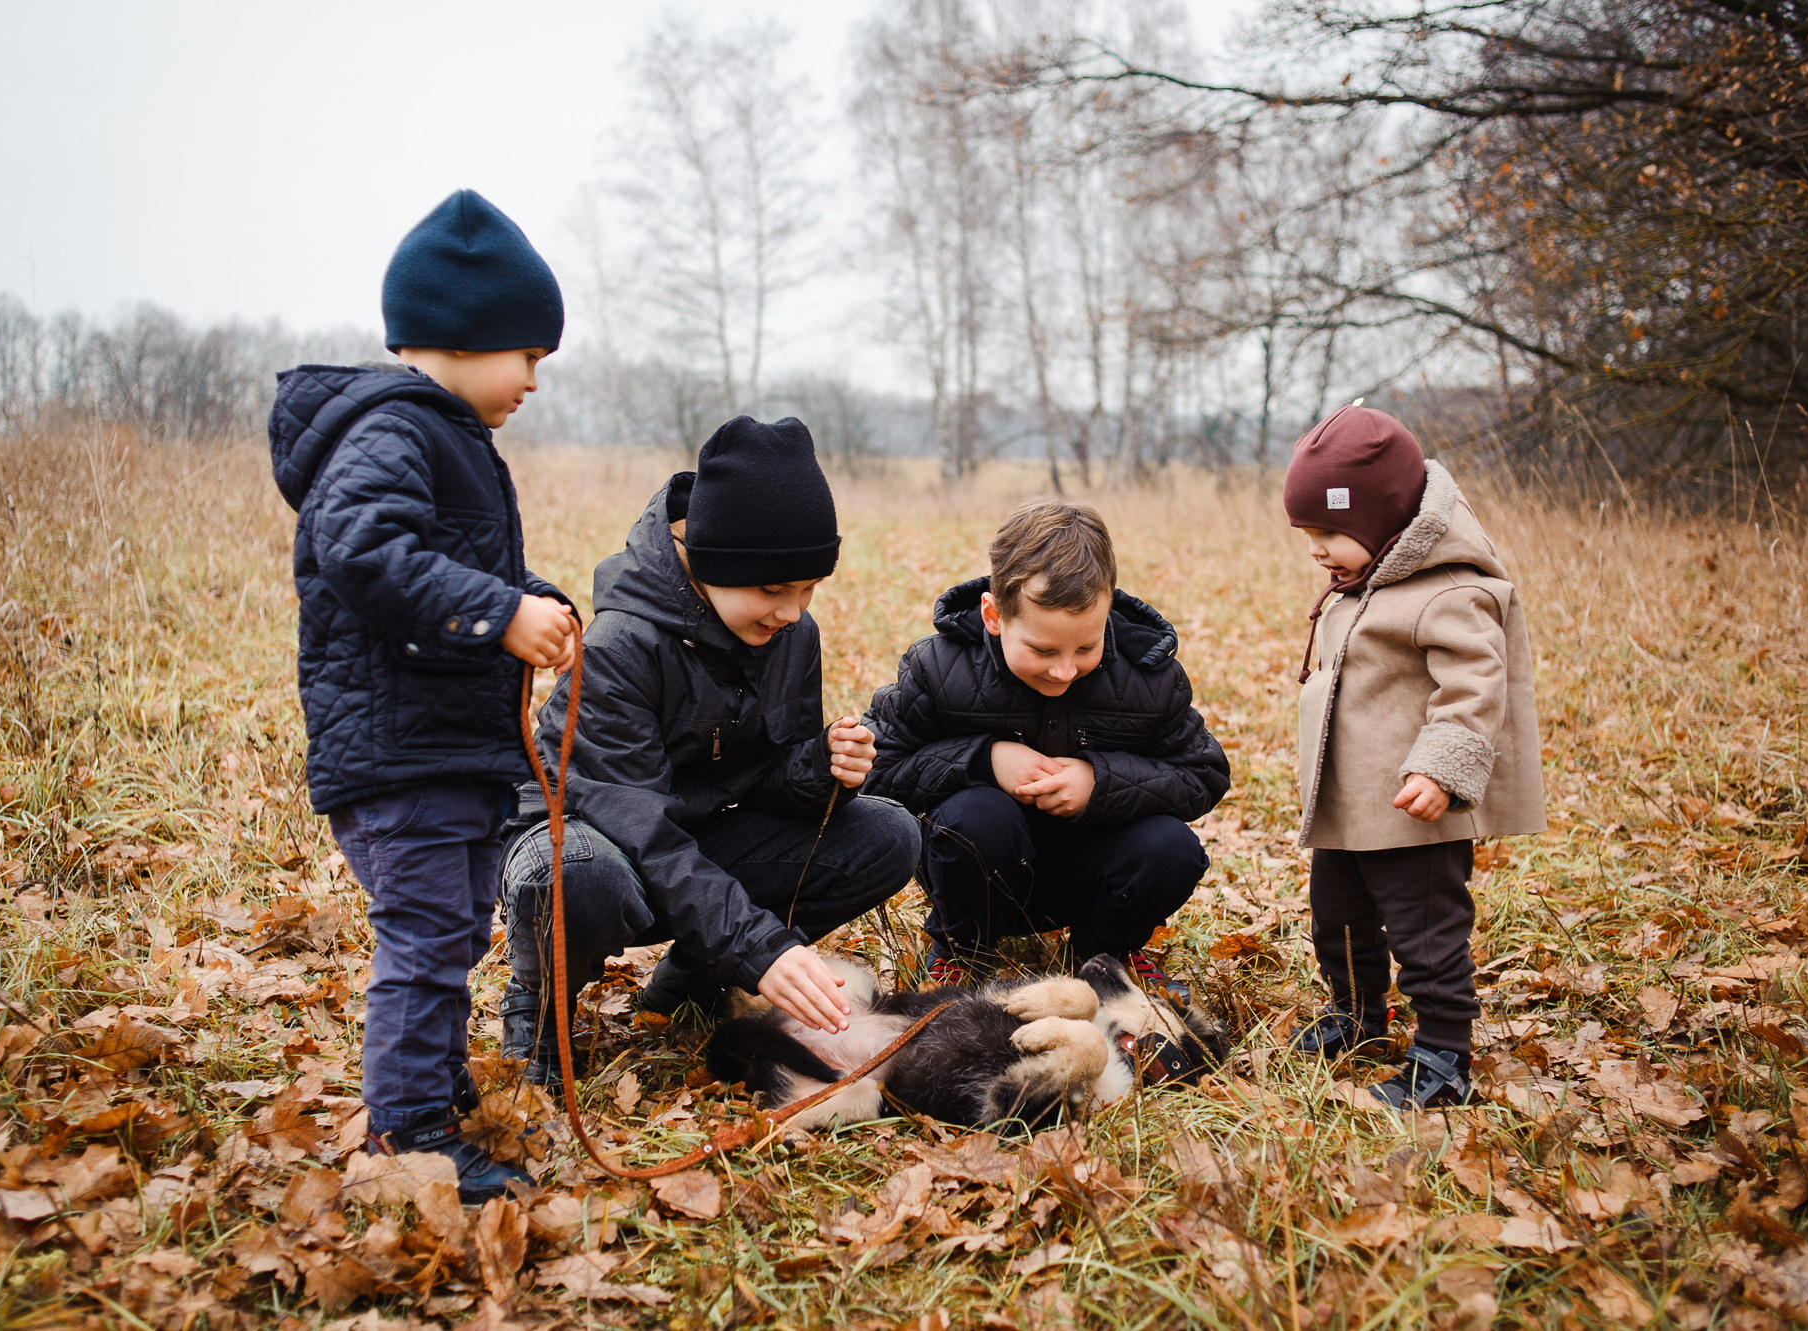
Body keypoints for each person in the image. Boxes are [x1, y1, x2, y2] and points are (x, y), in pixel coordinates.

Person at [269, 190, 577, 1200]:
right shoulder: (391, 432)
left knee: (449, 928)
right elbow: (365, 550)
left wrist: (535, 602)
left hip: (445, 748)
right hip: (403, 754)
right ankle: (408, 1139)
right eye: (526, 354)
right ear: (462, 334)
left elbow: (440, 560)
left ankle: (431, 1093)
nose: (535, 377)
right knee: (427, 935)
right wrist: (497, 613)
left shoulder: (442, 438)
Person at [498, 415, 920, 1085]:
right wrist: (761, 951)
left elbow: (765, 779)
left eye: (809, 588)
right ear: (710, 563)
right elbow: (641, 828)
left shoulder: (789, 632)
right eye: (773, 589)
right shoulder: (617, 647)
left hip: (692, 841)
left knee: (887, 832)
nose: (793, 610)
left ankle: (690, 980)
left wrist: (820, 768)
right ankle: (539, 1011)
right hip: (592, 844)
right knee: (575, 874)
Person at [1283, 404, 1545, 1110]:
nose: (1316, 549)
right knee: (1336, 918)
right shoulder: (1362, 583)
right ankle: (1357, 1016)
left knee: (1426, 933)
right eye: (1308, 533)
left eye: (1329, 532)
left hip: (1413, 807)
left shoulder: (1447, 592)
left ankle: (1443, 1057)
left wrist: (1441, 769)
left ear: (1383, 522)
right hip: (1351, 806)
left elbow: (1474, 688)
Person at [861, 499, 1229, 1000]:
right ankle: (963, 951)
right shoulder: (939, 667)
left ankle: (1108, 955)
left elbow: (1203, 773)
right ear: (993, 615)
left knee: (1171, 848)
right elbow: (876, 773)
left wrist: (1098, 782)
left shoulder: (1150, 676)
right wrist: (982, 760)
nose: (1064, 670)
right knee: (976, 815)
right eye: (1042, 650)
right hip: (980, 871)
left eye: (1085, 648)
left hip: (1096, 870)